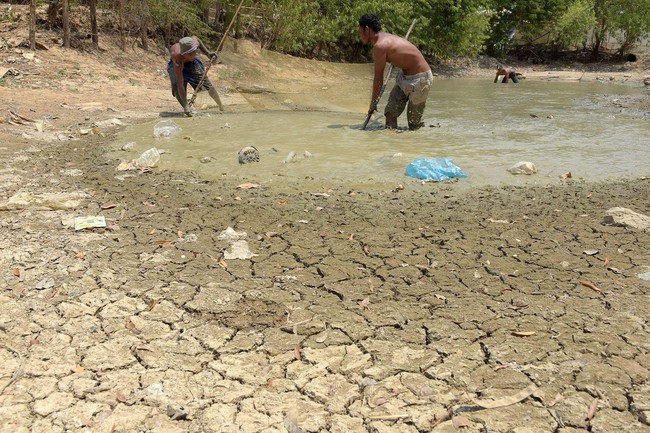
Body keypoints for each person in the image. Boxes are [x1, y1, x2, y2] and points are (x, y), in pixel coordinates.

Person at [358, 13, 433, 130]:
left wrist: (373, 103)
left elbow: (378, 78)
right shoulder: (382, 40)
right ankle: (391, 144)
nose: (360, 35)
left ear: (367, 29)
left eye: (360, 32)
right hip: (404, 77)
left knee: (414, 124)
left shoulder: (380, 45)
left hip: (421, 79)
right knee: (390, 113)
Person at [167, 36, 222, 116]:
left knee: (207, 85)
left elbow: (196, 38)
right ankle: (187, 109)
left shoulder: (194, 42)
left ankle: (221, 106)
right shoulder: (177, 60)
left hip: (192, 64)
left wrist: (208, 53)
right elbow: (180, 83)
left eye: (194, 53)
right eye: (190, 55)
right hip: (176, 66)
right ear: (184, 54)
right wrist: (186, 105)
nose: (193, 56)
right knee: (177, 89)